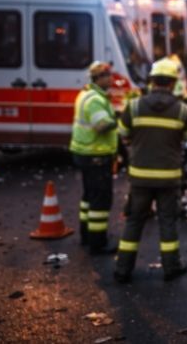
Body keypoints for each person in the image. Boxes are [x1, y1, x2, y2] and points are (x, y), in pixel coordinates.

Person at [114, 58, 187, 283]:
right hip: (169, 177)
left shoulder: (135, 106)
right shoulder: (182, 110)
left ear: (152, 81)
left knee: (134, 221)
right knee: (167, 221)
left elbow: (123, 133)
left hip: (140, 176)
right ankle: (171, 267)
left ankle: (122, 269)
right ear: (172, 83)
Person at [69, 61, 118, 255]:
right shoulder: (95, 99)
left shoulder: (86, 94)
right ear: (98, 78)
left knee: (89, 196)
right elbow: (101, 125)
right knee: (100, 199)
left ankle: (86, 236)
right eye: (108, 76)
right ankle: (98, 243)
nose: (111, 79)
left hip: (84, 153)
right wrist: (120, 118)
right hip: (95, 154)